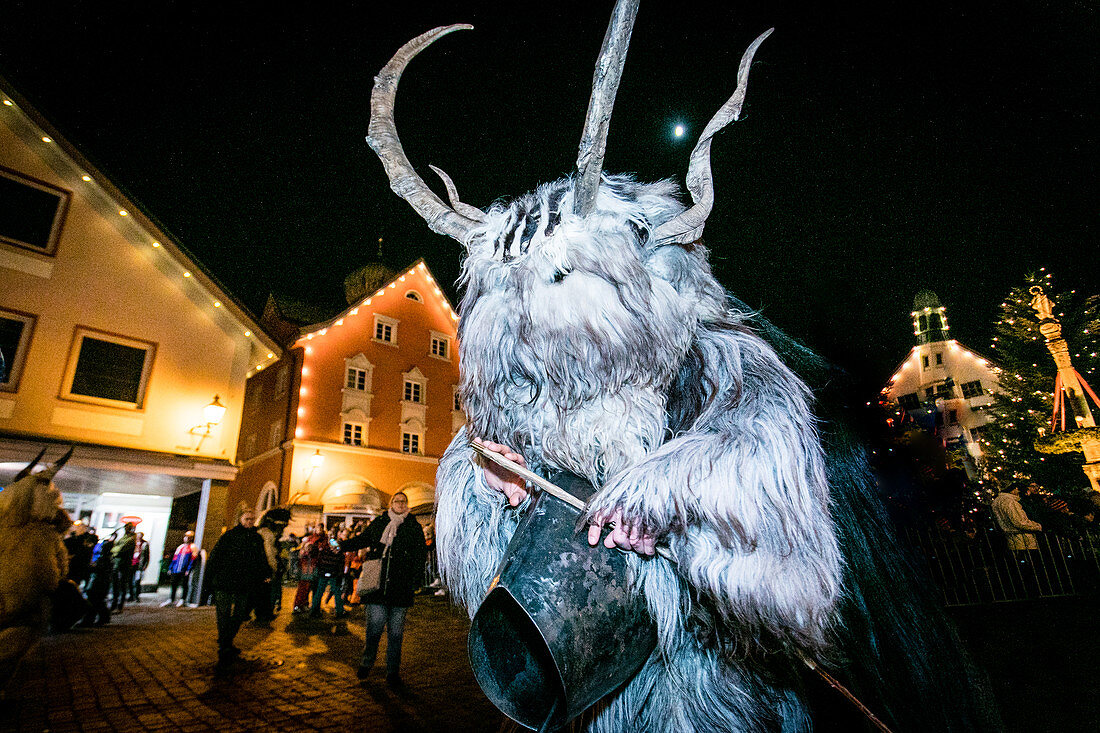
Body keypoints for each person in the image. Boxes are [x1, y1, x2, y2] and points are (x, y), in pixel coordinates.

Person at [340, 492, 426, 685]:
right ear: (391, 504)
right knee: (374, 630)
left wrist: (415, 581)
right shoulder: (380, 523)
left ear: (407, 504)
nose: (401, 504)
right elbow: (363, 540)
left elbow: (420, 556)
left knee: (396, 634)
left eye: (404, 501)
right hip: (377, 588)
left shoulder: (413, 527)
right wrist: (341, 545)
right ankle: (366, 662)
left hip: (400, 589)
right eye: (397, 501)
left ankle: (392, 671)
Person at [205, 509, 270, 668]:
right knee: (223, 613)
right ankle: (225, 645)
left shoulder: (256, 538)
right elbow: (215, 557)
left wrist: (266, 573)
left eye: (252, 519)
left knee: (240, 613)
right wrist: (209, 580)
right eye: (247, 518)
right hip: (224, 580)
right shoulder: (229, 536)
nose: (250, 521)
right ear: (240, 519)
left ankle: (227, 640)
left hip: (244, 582)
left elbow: (261, 558)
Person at [311, 530, 347, 619]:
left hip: (323, 573)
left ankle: (314, 610)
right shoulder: (338, 552)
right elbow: (340, 563)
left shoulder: (324, 550)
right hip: (334, 574)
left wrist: (320, 570)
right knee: (337, 593)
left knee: (319, 592)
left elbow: (319, 561)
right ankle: (339, 611)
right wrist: (339, 574)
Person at [162, 531, 199, 607]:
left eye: (188, 537)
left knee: (184, 584)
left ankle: (183, 599)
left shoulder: (193, 547)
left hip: (184, 569)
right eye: (185, 536)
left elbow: (193, 559)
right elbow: (175, 558)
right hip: (176, 568)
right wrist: (171, 568)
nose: (186, 538)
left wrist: (189, 569)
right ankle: (171, 599)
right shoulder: (180, 547)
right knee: (173, 583)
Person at [109, 523, 137, 612]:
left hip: (123, 565)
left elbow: (120, 549)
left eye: (128, 527)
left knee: (122, 585)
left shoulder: (131, 539)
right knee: (115, 585)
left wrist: (114, 549)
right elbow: (115, 548)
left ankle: (119, 605)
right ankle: (114, 604)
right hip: (116, 564)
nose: (126, 529)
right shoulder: (123, 537)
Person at [129, 531, 150, 602]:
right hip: (132, 564)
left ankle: (136, 596)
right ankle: (131, 596)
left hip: (139, 565)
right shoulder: (133, 543)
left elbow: (147, 556)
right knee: (130, 581)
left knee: (137, 581)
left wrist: (145, 565)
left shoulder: (144, 544)